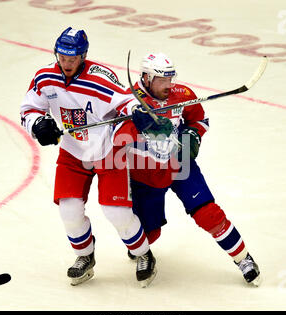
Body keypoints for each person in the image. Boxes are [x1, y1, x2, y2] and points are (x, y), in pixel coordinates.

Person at [20, 27, 157, 288]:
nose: (66, 63)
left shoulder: (99, 78)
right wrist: (38, 124)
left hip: (107, 151)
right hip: (73, 152)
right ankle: (85, 257)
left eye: (72, 58)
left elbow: (127, 102)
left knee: (116, 213)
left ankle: (143, 254)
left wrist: (138, 111)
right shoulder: (45, 77)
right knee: (69, 211)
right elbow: (29, 109)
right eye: (62, 57)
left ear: (83, 56)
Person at [113, 52, 261, 286]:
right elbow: (115, 134)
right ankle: (143, 251)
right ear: (146, 77)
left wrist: (193, 136)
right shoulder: (127, 100)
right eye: (162, 80)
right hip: (145, 172)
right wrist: (135, 124)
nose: (168, 85)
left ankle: (243, 259)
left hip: (179, 163)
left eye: (170, 79)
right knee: (149, 234)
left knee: (209, 213)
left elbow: (199, 120)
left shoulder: (182, 95)